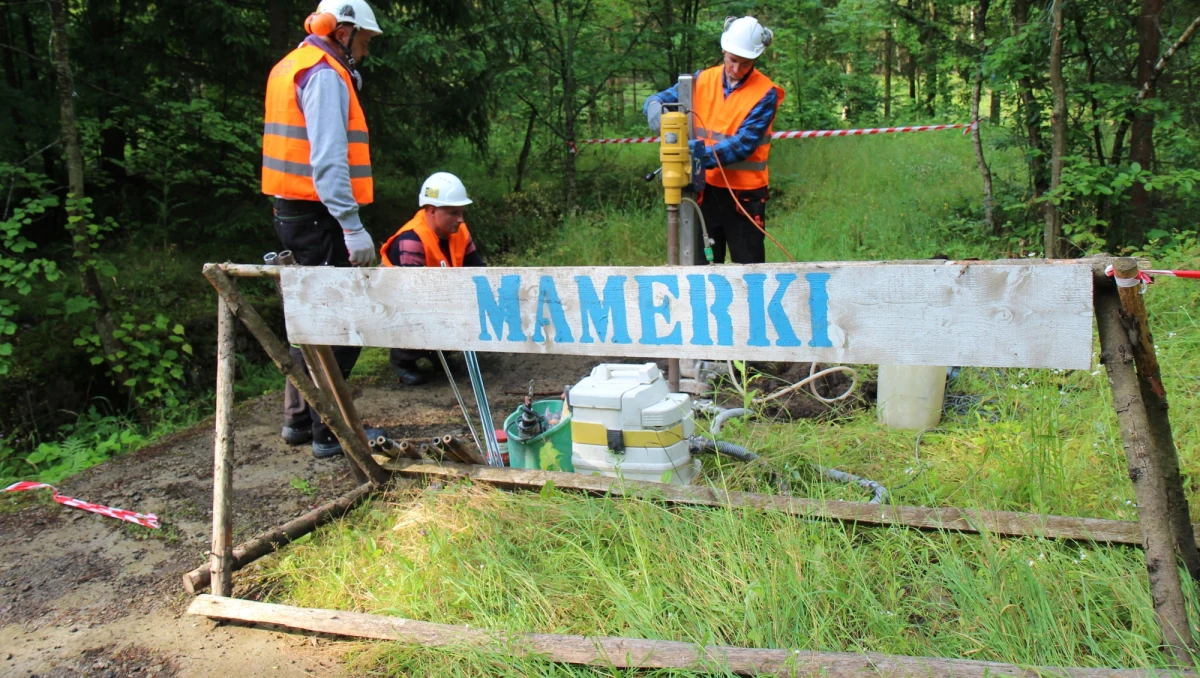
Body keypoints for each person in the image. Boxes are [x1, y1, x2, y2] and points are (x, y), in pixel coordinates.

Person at [262, 0, 382, 458]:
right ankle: (330, 431)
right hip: (320, 215)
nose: (366, 51)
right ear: (344, 32)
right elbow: (329, 160)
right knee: (344, 320)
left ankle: (299, 419)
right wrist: (351, 225)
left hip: (294, 212)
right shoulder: (325, 75)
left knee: (309, 318)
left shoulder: (291, 65)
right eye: (365, 40)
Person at [643, 16, 783, 265]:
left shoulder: (765, 93)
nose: (737, 69)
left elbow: (742, 144)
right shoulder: (701, 80)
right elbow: (663, 98)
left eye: (745, 63)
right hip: (704, 193)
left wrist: (691, 158)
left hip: (744, 199)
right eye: (733, 60)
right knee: (703, 268)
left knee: (749, 271)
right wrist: (653, 106)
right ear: (723, 51)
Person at [379, 172, 485, 385]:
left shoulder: (460, 232)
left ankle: (440, 353)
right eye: (453, 213)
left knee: (466, 303)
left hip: (440, 294)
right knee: (421, 313)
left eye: (461, 212)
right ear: (432, 211)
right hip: (400, 304)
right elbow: (411, 296)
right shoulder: (411, 239)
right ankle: (403, 359)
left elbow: (478, 270)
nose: (461, 219)